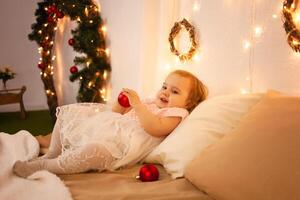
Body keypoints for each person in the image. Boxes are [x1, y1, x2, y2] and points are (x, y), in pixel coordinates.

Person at [13, 70, 208, 178]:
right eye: (164, 86)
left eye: (175, 91)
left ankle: (48, 165)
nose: (165, 92)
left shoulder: (176, 113)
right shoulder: (151, 101)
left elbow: (155, 128)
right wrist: (121, 103)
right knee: (68, 114)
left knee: (93, 151)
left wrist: (138, 105)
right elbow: (115, 114)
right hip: (108, 129)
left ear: (189, 103)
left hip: (120, 147)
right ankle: (52, 152)